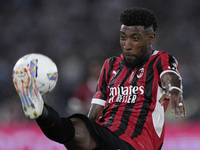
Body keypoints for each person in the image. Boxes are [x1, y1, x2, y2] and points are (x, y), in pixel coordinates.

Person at [13, 7, 186, 150]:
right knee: (77, 127)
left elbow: (170, 76)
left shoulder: (160, 59)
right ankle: (39, 109)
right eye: (123, 37)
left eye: (135, 38)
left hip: (138, 143)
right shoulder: (110, 65)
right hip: (106, 134)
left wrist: (175, 89)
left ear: (150, 38)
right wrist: (86, 131)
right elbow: (95, 112)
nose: (127, 45)